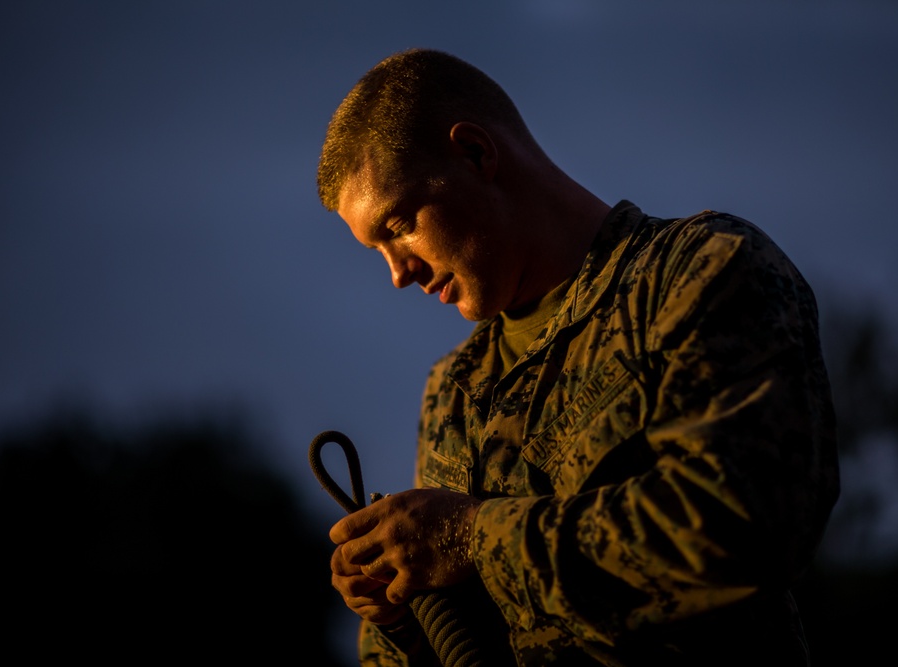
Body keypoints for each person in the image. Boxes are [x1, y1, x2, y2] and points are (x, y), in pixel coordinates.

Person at [316, 48, 840, 666]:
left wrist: (474, 538)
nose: (398, 274)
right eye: (376, 250)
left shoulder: (699, 273)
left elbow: (744, 526)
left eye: (399, 224)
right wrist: (402, 614)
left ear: (478, 154)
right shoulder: (453, 389)